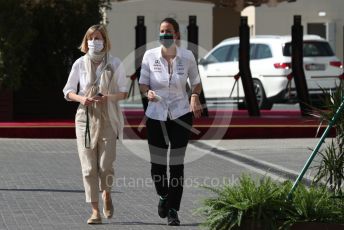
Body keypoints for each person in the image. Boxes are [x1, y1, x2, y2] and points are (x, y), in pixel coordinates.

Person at [138, 17, 202, 226]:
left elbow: (196, 82)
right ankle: (164, 194)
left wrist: (194, 96)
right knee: (157, 165)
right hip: (156, 114)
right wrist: (148, 93)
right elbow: (143, 84)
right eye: (162, 31)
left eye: (169, 31)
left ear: (177, 35)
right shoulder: (150, 56)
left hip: (181, 114)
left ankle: (173, 209)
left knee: (176, 164)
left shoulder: (187, 56)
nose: (165, 35)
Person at [63, 24, 128, 224]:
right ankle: (94, 211)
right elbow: (68, 91)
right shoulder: (79, 64)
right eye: (90, 38)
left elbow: (124, 92)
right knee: (89, 168)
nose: (94, 42)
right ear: (86, 41)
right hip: (85, 117)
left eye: (98, 38)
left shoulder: (115, 63)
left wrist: (107, 97)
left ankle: (106, 194)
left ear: (105, 40)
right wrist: (82, 99)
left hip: (108, 116)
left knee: (105, 165)